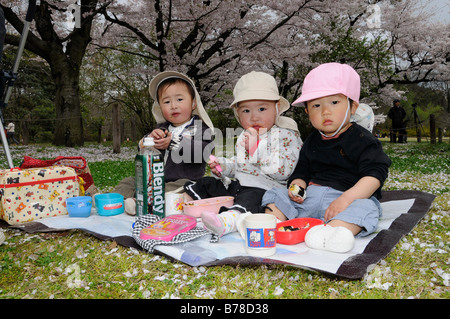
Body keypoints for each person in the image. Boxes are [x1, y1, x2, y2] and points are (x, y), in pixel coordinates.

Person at [262, 63, 391, 253]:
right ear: (307, 112)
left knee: (367, 207)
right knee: (276, 194)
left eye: (334, 102)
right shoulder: (312, 140)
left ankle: (334, 232)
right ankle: (273, 224)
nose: (325, 111)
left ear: (353, 106)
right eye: (316, 105)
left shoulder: (364, 140)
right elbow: (302, 171)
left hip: (346, 199)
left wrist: (346, 199)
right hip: (309, 200)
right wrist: (297, 187)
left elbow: (375, 175)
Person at [183, 71, 302, 237]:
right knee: (206, 183)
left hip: (265, 190)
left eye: (262, 109)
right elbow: (239, 164)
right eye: (246, 111)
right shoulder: (244, 136)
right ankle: (184, 207)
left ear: (276, 109)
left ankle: (228, 220)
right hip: (238, 186)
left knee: (249, 199)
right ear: (238, 114)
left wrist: (256, 151)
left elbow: (283, 172)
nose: (254, 117)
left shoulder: (285, 135)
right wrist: (223, 166)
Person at [114, 71, 215, 215]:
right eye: (167, 102)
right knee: (129, 181)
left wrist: (174, 143)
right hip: (155, 178)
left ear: (193, 103)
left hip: (185, 180)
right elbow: (141, 148)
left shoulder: (200, 128)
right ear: (160, 107)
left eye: (179, 99)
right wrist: (148, 141)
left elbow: (204, 152)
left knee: (173, 192)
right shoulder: (161, 128)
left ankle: (140, 203)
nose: (173, 106)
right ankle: (114, 200)